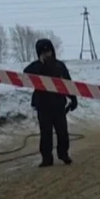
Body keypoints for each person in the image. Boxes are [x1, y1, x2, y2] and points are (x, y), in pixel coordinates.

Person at [23, 38, 77, 167]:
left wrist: (73, 99)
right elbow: (25, 74)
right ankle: (47, 158)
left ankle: (63, 154)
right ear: (39, 53)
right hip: (43, 105)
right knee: (45, 133)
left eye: (49, 52)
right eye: (43, 52)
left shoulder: (59, 66)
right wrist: (40, 65)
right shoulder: (35, 67)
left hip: (58, 104)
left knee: (62, 132)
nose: (47, 54)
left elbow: (68, 83)